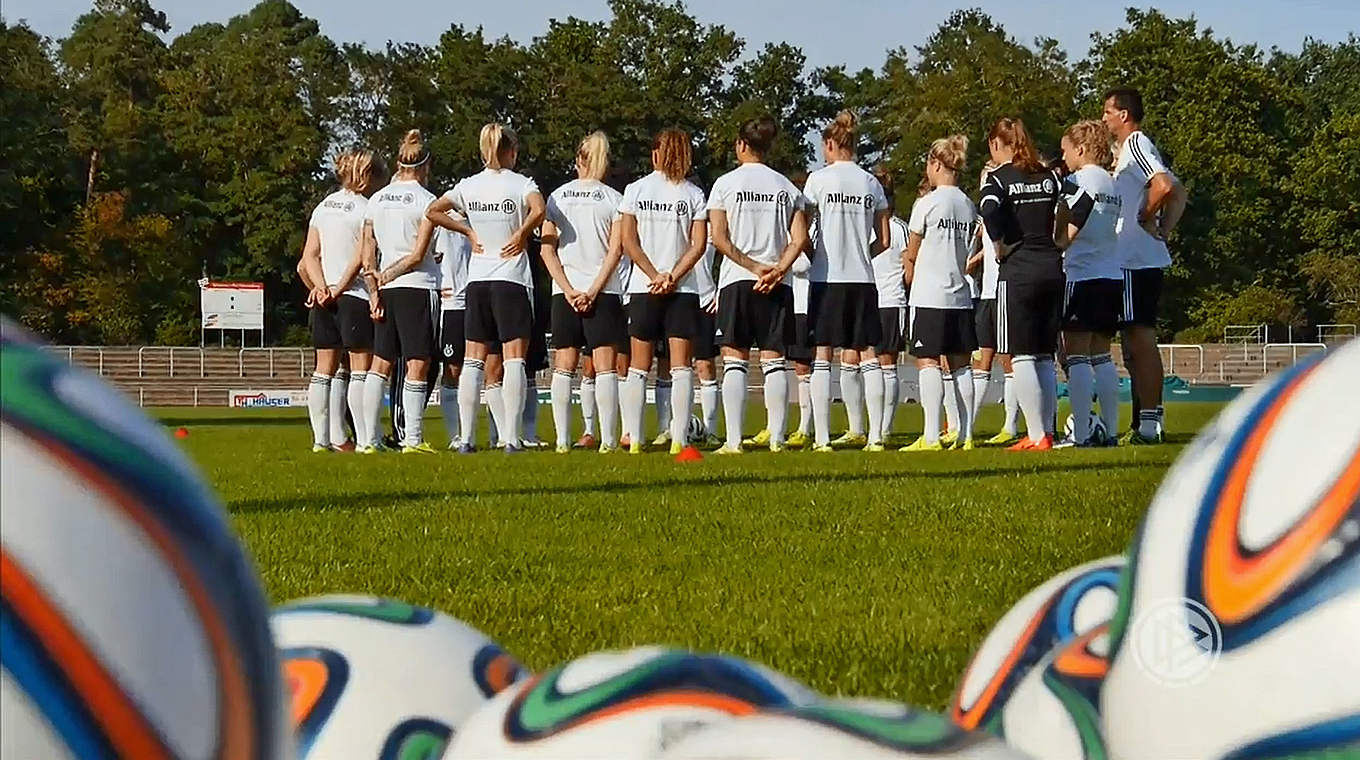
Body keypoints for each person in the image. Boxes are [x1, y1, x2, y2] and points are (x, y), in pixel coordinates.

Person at [427, 122, 545, 454]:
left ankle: (466, 438)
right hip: (511, 278)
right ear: (512, 151)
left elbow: (433, 211)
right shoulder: (521, 183)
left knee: (473, 362)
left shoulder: (468, 186)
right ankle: (510, 437)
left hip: (477, 280)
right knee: (514, 361)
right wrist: (522, 233)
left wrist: (467, 230)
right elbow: (539, 209)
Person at [707, 115, 810, 454]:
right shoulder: (786, 187)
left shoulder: (725, 183)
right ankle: (778, 439)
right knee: (774, 360)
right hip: (778, 283)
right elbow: (799, 239)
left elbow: (718, 238)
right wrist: (778, 269)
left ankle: (734, 441)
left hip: (738, 279)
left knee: (734, 358)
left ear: (741, 145)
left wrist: (753, 266)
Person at [1101, 86, 1187, 444]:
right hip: (1132, 260)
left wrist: (1146, 217)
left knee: (1140, 341)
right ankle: (1146, 420)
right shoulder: (1126, 152)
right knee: (1132, 344)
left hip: (1136, 261)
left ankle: (1149, 422)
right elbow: (1180, 191)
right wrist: (1164, 227)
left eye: (1107, 111)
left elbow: (1165, 185)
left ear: (1124, 114)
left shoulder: (1136, 144)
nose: (1103, 117)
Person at [802, 111, 891, 453]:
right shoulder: (871, 183)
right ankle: (876, 436)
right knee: (869, 355)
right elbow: (883, 239)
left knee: (823, 354)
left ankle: (823, 439)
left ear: (830, 144)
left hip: (828, 276)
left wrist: (815, 254)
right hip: (863, 278)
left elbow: (802, 229)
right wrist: (862, 253)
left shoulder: (818, 180)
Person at [619, 128, 708, 455]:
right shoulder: (694, 194)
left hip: (644, 288)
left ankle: (636, 440)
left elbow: (629, 241)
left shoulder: (635, 190)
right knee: (681, 366)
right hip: (682, 288)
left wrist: (654, 275)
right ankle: (680, 441)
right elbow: (698, 245)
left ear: (656, 153)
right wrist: (672, 275)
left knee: (638, 367)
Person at [979, 118, 1066, 452]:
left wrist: (1001, 242)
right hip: (1052, 267)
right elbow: (1080, 200)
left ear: (996, 145)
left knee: (1021, 355)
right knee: (1045, 355)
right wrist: (1060, 239)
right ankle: (1046, 430)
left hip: (1020, 271)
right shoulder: (1048, 176)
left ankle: (1034, 435)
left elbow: (987, 210)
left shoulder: (998, 179)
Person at [541, 131, 627, 453]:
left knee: (564, 365)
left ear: (578, 159)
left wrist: (567, 290)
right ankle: (607, 442)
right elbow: (616, 252)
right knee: (605, 367)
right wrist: (592, 290)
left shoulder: (557, 197)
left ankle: (562, 441)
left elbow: (547, 250)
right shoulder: (615, 199)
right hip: (602, 291)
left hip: (565, 292)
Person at [356, 131, 441, 454]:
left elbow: (367, 249)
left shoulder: (377, 200)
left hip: (386, 292)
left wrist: (375, 289)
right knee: (417, 363)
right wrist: (389, 274)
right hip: (417, 288)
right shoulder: (427, 202)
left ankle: (368, 439)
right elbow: (419, 255)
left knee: (380, 364)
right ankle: (413, 439)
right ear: (426, 165)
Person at [298, 148, 382, 453]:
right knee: (361, 369)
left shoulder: (323, 207)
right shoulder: (367, 208)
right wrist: (341, 288)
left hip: (325, 296)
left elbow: (309, 256)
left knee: (324, 370)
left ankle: (322, 440)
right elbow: (362, 257)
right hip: (353, 295)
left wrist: (321, 288)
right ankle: (365, 440)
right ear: (367, 176)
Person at [900, 136, 980, 451]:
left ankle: (932, 436)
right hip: (960, 295)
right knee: (961, 365)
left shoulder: (927, 203)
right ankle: (967, 434)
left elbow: (912, 251)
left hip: (929, 294)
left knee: (928, 362)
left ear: (936, 164)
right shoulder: (967, 204)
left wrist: (908, 276)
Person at [1054, 119, 1125, 447]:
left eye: (1066, 150)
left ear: (1080, 149)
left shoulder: (1077, 181)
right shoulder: (1111, 184)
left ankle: (1081, 433)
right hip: (1112, 276)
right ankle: (1110, 431)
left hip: (1082, 274)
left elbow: (1068, 234)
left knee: (1077, 355)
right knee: (1103, 356)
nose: (1063, 156)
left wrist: (1054, 239)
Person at [871, 166, 909, 441]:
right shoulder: (890, 228)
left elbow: (910, 267)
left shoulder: (898, 229)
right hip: (879, 301)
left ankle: (883, 429)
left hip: (890, 301)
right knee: (878, 366)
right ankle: (875, 428)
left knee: (884, 365)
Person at [435, 222, 472, 448]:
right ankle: (454, 435)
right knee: (453, 369)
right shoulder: (439, 220)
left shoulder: (478, 218)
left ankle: (500, 435)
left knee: (489, 367)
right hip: (451, 306)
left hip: (479, 301)